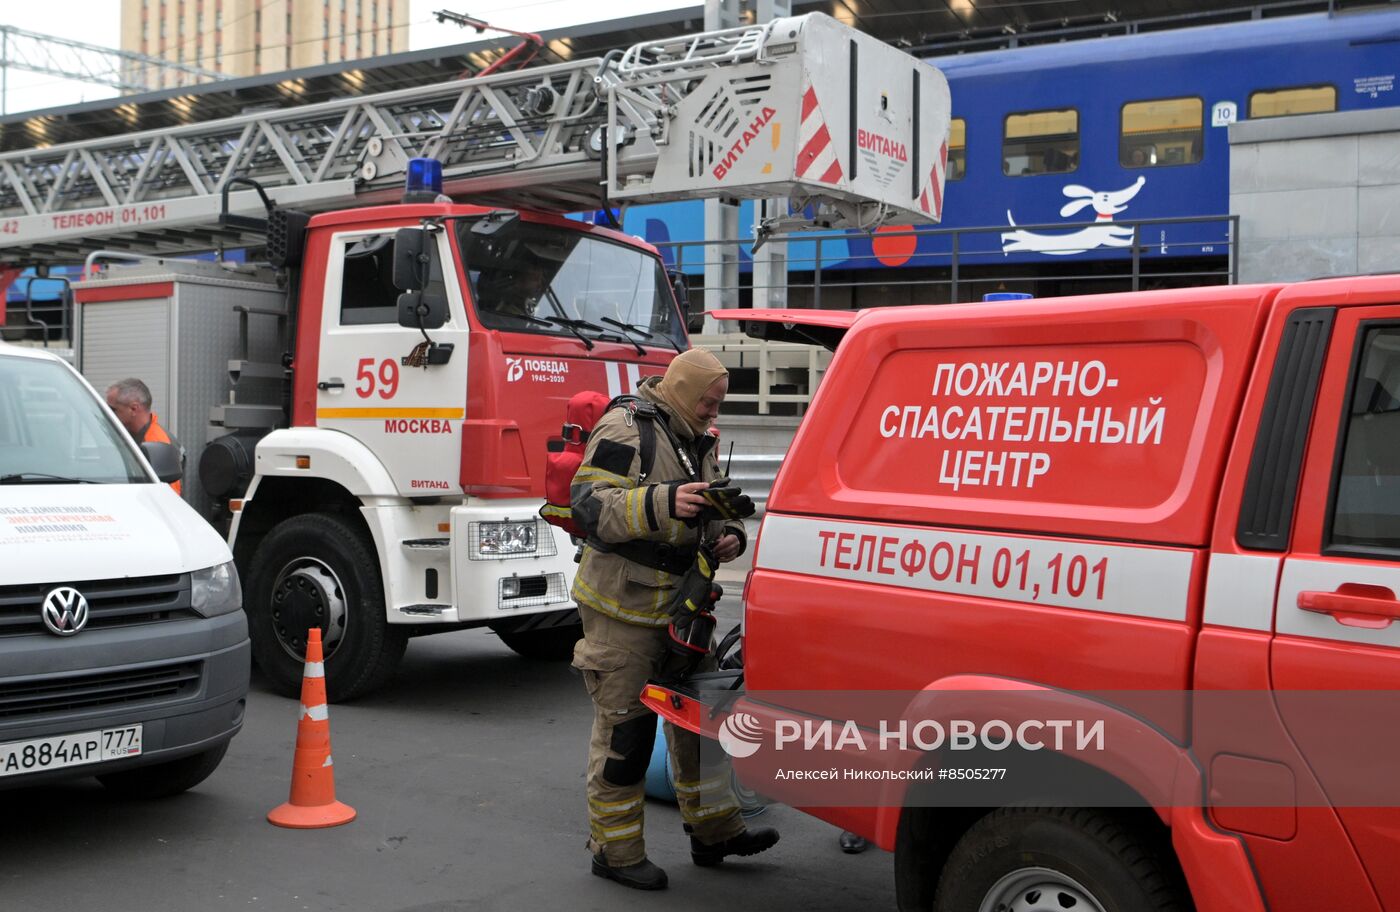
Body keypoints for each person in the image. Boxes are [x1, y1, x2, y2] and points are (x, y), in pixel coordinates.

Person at [569, 348, 778, 891]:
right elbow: (589, 507)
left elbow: (701, 510)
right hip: (623, 610)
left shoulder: (694, 434)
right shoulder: (625, 428)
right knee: (627, 736)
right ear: (685, 390)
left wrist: (728, 537)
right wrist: (662, 501)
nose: (714, 412)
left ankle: (715, 833)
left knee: (703, 725)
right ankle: (614, 853)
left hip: (685, 608)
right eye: (708, 401)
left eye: (718, 403)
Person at [105, 378, 182, 494]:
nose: (108, 414)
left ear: (133, 409)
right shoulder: (127, 434)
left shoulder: (157, 442)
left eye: (113, 409)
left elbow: (170, 494)